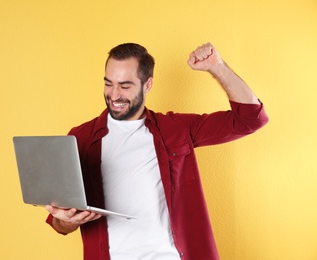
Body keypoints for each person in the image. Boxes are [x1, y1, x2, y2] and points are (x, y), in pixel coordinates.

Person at [45, 42, 269, 260]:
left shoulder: (176, 129)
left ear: (148, 84)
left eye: (125, 86)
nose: (114, 95)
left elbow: (250, 119)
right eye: (108, 83)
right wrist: (67, 221)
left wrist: (217, 67)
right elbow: (60, 223)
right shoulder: (80, 138)